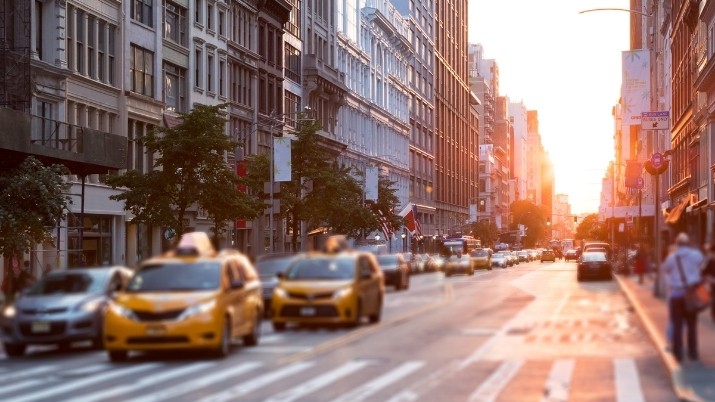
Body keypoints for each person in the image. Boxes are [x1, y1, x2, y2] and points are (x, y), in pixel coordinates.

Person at [661, 232, 704, 362]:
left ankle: (678, 352)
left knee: (677, 324)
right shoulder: (695, 255)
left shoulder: (672, 258)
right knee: (692, 325)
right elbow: (701, 262)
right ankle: (693, 352)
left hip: (676, 295)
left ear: (677, 244)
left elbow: (665, 269)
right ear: (688, 243)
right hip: (691, 295)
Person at [702, 243, 715, 322]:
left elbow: (704, 272)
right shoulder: (710, 260)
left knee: (713, 299)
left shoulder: (710, 260)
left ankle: (714, 314)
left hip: (713, 283)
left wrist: (709, 279)